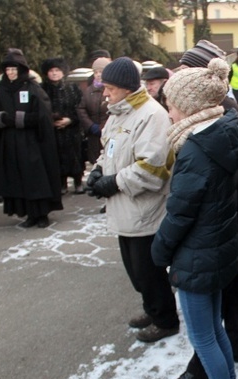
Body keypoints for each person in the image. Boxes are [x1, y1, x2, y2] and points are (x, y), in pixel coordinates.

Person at [158, 42, 238, 379]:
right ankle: (231, 359)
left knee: (208, 326)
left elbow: (186, 206)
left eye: (185, 70)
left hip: (219, 235)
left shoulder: (209, 131)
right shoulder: (220, 122)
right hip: (224, 233)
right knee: (223, 310)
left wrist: (161, 250)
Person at [152, 59, 238, 379]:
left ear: (189, 107)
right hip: (217, 248)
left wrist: (158, 252)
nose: (168, 111)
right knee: (215, 328)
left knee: (202, 335)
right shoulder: (224, 133)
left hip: (197, 255)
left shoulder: (195, 150)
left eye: (171, 104)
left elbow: (180, 213)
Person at [84, 57, 180, 341]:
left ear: (126, 88)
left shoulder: (152, 115)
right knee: (135, 272)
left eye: (110, 88)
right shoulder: (117, 113)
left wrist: (113, 181)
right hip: (124, 208)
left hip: (144, 210)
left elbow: (153, 168)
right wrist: (98, 170)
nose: (105, 94)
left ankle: (166, 320)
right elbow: (109, 150)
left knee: (149, 272)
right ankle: (152, 308)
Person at [0, 49, 63, 228]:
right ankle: (29, 213)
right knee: (19, 179)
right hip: (11, 143)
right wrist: (2, 119)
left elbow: (43, 117)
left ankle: (42, 213)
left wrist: (18, 119)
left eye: (14, 69)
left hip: (32, 143)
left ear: (22, 69)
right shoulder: (1, 91)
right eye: (8, 69)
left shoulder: (32, 88)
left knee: (36, 178)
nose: (11, 72)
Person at [41, 57, 84, 194]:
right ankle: (62, 184)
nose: (54, 73)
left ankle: (78, 182)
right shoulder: (42, 89)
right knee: (57, 157)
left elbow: (80, 108)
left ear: (63, 72)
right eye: (51, 71)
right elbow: (40, 109)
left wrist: (70, 119)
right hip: (52, 130)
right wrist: (51, 120)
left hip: (72, 129)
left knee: (75, 155)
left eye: (57, 70)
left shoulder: (72, 88)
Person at [77, 56, 111, 167]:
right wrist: (90, 126)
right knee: (95, 163)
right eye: (96, 72)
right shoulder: (88, 90)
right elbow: (81, 109)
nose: (98, 74)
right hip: (93, 135)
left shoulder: (111, 89)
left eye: (101, 71)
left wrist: (103, 127)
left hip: (108, 133)